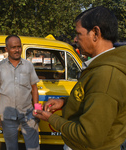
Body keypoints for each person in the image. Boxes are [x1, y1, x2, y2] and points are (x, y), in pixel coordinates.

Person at [33, 6, 126, 150]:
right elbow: (90, 98)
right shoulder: (99, 67)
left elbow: (88, 136)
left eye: (79, 34)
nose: (75, 39)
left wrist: (51, 119)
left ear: (95, 33)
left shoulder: (106, 75)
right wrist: (64, 102)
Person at [0, 35, 40, 150]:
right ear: (6, 49)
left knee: (33, 147)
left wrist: (36, 109)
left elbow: (34, 88)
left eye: (19, 47)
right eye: (13, 47)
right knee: (11, 147)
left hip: (28, 115)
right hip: (8, 117)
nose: (17, 50)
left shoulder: (28, 66)